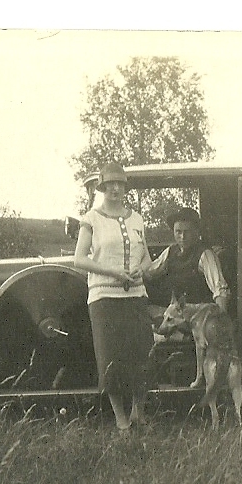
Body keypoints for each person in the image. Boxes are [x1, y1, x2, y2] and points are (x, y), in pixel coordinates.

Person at [73, 163, 154, 431]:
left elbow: (146, 258)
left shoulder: (137, 219)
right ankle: (121, 420)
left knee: (142, 354)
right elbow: (79, 259)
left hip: (135, 296)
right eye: (110, 184)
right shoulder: (91, 219)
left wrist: (140, 271)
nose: (116, 189)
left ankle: (138, 414)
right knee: (111, 360)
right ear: (103, 188)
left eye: (121, 184)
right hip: (104, 298)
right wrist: (113, 273)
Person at [144, 207, 231, 314]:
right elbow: (150, 272)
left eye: (187, 232)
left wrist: (221, 319)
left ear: (196, 232)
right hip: (173, 309)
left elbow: (220, 289)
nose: (182, 237)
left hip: (194, 313)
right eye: (178, 232)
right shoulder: (171, 250)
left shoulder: (205, 254)